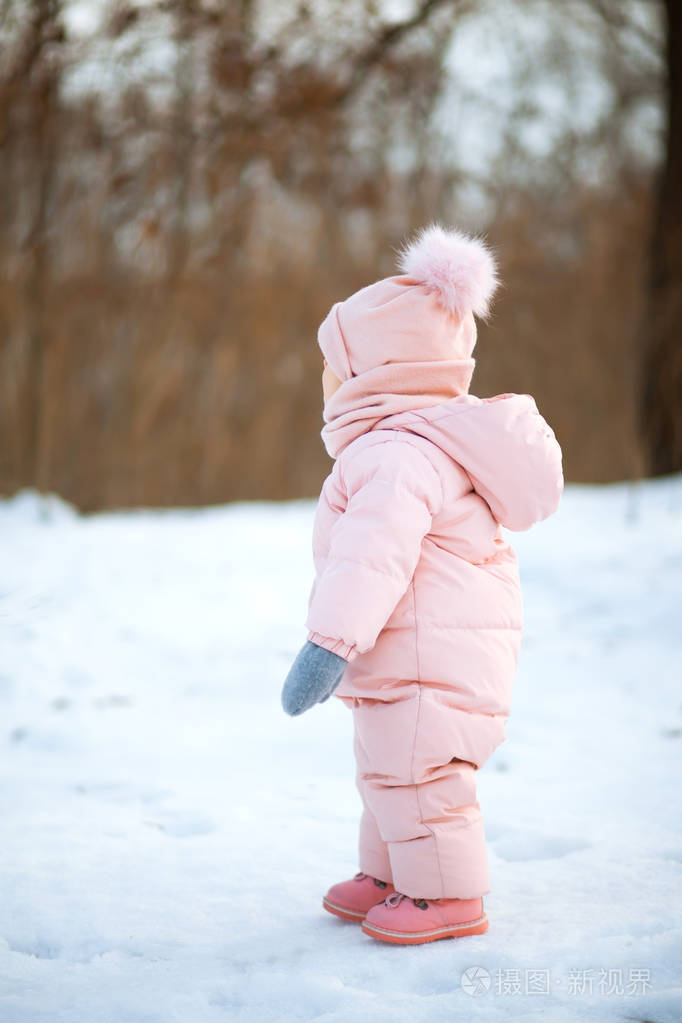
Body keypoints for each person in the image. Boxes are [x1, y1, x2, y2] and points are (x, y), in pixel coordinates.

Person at [281, 223, 564, 945]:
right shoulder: (428, 443)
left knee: (417, 776)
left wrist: (327, 645)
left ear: (375, 374)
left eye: (332, 366)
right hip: (420, 655)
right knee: (386, 772)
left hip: (422, 660)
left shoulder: (396, 456)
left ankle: (446, 895)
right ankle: (391, 874)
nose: (325, 380)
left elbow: (369, 560)